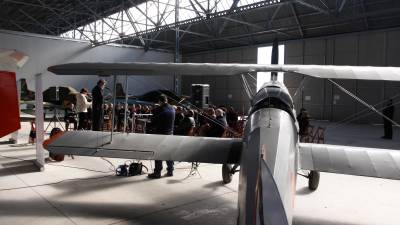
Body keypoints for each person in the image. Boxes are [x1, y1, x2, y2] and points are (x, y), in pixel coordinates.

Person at [148, 94, 175, 179]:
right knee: (168, 153)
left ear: (160, 101)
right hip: (170, 133)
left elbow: (153, 121)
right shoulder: (172, 108)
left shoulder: (159, 109)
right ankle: (170, 170)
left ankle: (157, 173)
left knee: (158, 153)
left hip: (160, 134)